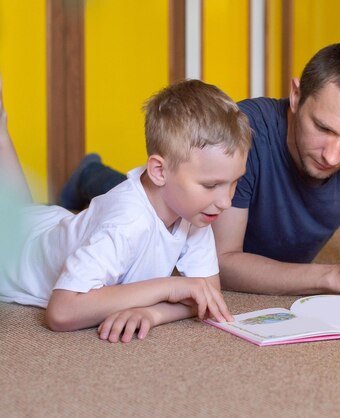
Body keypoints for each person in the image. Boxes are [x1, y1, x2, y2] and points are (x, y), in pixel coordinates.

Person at [59, 43, 340, 313]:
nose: (334, 154)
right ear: (296, 95)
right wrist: (333, 277)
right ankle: (91, 174)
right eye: (322, 128)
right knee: (144, 200)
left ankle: (94, 173)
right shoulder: (245, 133)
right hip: (187, 212)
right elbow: (224, 261)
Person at [0, 77, 251, 343]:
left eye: (234, 182)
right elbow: (62, 311)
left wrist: (152, 313)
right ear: (158, 171)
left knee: (22, 213)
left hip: (53, 227)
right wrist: (170, 286)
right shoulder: (126, 223)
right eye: (211, 185)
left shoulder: (195, 212)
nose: (225, 201)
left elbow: (206, 292)